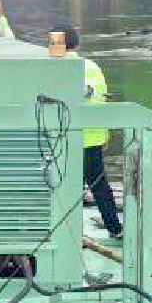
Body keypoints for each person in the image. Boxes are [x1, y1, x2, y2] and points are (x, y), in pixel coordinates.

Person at [53, 25, 123, 239]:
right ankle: (115, 228)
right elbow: (100, 100)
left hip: (70, 138)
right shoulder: (93, 66)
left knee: (66, 186)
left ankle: (66, 236)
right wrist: (105, 134)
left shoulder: (60, 67)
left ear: (57, 43)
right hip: (95, 137)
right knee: (99, 185)